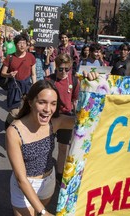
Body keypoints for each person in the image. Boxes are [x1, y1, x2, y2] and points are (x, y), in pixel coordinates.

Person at [6, 74, 98, 216]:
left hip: (48, 182)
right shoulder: (14, 132)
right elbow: (21, 178)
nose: (48, 109)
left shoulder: (54, 123)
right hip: (24, 186)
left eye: (53, 103)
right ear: (30, 102)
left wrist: (92, 87)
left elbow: (88, 120)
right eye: (42, 102)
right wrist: (43, 212)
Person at [46, 53, 79, 184]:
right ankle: (46, 170)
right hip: (51, 117)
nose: (64, 72)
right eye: (61, 69)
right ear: (56, 67)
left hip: (67, 117)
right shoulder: (49, 80)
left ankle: (59, 174)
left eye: (67, 69)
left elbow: (75, 98)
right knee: (47, 146)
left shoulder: (74, 80)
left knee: (63, 148)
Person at [1, 33, 37, 129]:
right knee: (14, 112)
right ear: (15, 44)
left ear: (26, 44)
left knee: (25, 112)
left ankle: (18, 132)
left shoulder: (31, 57)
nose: (22, 45)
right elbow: (2, 73)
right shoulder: (10, 57)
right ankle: (8, 125)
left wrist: (35, 87)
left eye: (24, 43)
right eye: (19, 43)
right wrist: (9, 74)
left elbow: (33, 74)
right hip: (14, 87)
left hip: (26, 87)